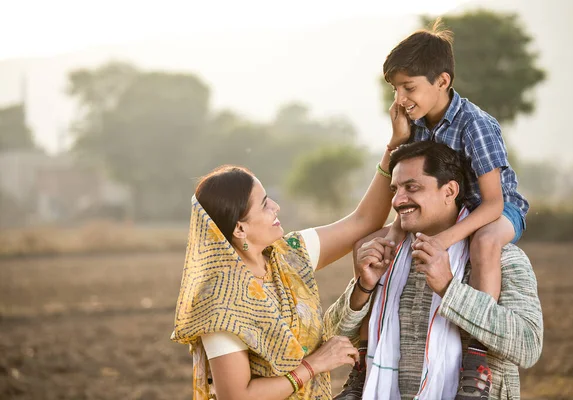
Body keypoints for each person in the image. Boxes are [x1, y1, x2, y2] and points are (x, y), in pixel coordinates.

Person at [336, 19, 530, 399]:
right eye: (396, 89)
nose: (401, 98)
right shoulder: (418, 125)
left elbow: (492, 202)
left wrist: (446, 238)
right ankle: (364, 363)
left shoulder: (476, 125)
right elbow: (408, 182)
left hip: (496, 209)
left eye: (409, 88)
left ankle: (477, 355)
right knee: (371, 244)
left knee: (485, 243)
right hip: (445, 211)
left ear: (442, 81)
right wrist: (397, 141)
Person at [170, 126, 407, 400]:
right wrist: (313, 365)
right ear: (239, 229)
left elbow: (363, 221)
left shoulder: (288, 254)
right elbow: (236, 396)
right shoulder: (219, 300)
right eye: (264, 205)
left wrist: (393, 147)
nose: (276, 207)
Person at [327, 141, 543, 400]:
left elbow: (528, 346)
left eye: (412, 187)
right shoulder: (384, 254)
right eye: (395, 189)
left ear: (449, 191)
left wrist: (448, 287)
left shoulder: (500, 257)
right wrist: (364, 286)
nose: (397, 200)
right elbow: (333, 337)